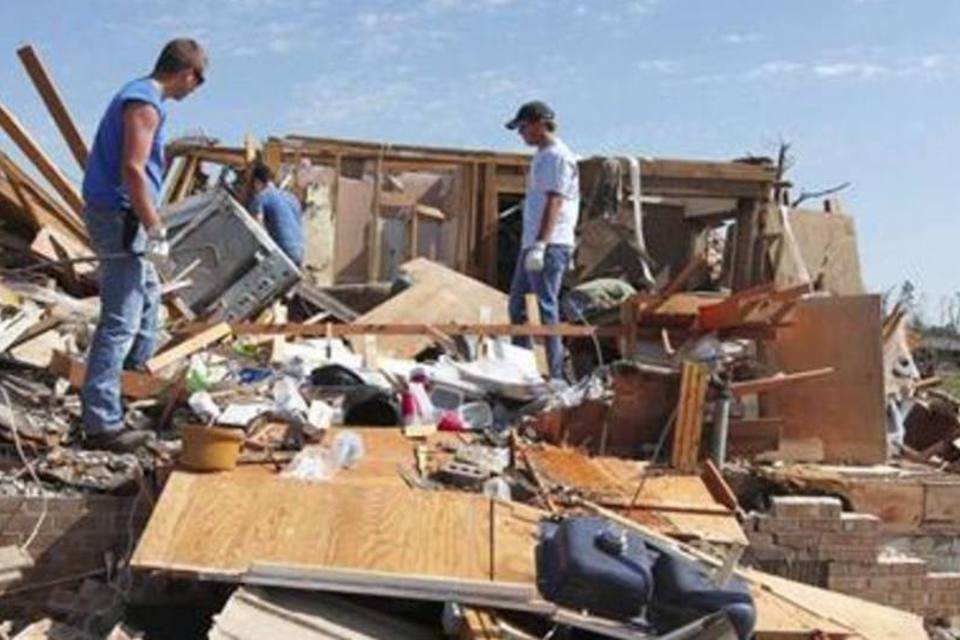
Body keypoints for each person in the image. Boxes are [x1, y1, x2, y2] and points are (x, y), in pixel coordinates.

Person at [80, 39, 208, 452]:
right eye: (199, 79)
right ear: (186, 72)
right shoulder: (144, 102)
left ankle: (131, 387)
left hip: (125, 215)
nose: (196, 88)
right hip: (121, 216)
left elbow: (142, 164)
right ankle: (101, 422)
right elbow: (133, 169)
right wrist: (155, 227)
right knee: (121, 318)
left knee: (148, 299)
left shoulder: (143, 99)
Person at [505, 100, 580, 381]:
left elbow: (555, 201)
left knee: (546, 309)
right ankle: (521, 370)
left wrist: (541, 244)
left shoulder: (557, 157)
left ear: (539, 123)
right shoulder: (542, 156)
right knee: (518, 308)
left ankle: (557, 376)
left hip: (550, 244)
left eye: (523, 127)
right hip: (533, 245)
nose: (521, 133)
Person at [247, 162, 305, 266]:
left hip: (283, 254)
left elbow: (256, 229)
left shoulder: (261, 197)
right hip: (300, 253)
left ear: (257, 182)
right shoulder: (292, 197)